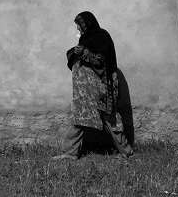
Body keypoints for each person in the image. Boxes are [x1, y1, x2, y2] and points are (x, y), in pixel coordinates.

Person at [53, 11, 134, 160]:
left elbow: (102, 62)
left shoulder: (101, 37)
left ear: (87, 24)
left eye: (79, 24)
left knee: (110, 118)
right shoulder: (85, 40)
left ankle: (126, 152)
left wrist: (85, 53)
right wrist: (77, 53)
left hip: (101, 89)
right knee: (79, 118)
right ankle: (70, 152)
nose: (77, 28)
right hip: (85, 92)